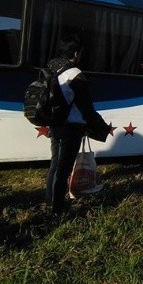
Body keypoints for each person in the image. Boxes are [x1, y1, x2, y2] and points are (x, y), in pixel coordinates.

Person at [45, 34, 112, 214]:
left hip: (55, 124)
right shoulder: (75, 74)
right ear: (75, 53)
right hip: (71, 128)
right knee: (64, 168)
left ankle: (50, 198)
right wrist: (99, 127)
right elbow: (86, 107)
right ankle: (58, 206)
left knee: (55, 163)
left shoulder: (52, 68)